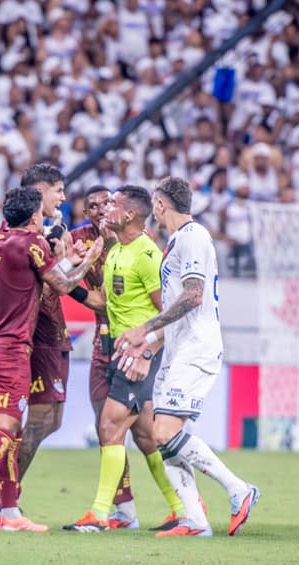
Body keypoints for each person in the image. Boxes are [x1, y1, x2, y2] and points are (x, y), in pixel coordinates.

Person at [0, 186, 103, 533]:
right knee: (5, 431)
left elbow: (35, 278)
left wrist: (68, 260)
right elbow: (61, 286)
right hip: (10, 352)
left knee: (12, 433)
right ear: (35, 215)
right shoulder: (30, 242)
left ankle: (11, 512)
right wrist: (90, 259)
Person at [116, 177, 259, 538]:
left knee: (164, 431)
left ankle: (238, 489)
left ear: (160, 205)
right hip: (178, 348)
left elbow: (193, 297)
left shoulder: (193, 236)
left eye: (155, 206)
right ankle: (194, 519)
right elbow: (177, 306)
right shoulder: (178, 242)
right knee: (157, 432)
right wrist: (149, 344)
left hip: (197, 347)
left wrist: (144, 328)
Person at [63, 185, 187, 533]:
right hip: (120, 351)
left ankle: (100, 514)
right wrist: (67, 281)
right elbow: (105, 300)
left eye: (113, 204)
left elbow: (171, 313)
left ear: (130, 214)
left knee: (109, 426)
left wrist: (147, 349)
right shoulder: (118, 251)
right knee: (147, 437)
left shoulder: (147, 256)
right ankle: (183, 506)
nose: (106, 210)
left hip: (138, 355)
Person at [0, 163, 73, 522]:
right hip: (30, 337)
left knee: (51, 420)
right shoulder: (21, 237)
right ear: (38, 193)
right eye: (57, 190)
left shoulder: (34, 232)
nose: (62, 197)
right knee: (32, 420)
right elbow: (0, 293)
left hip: (45, 333)